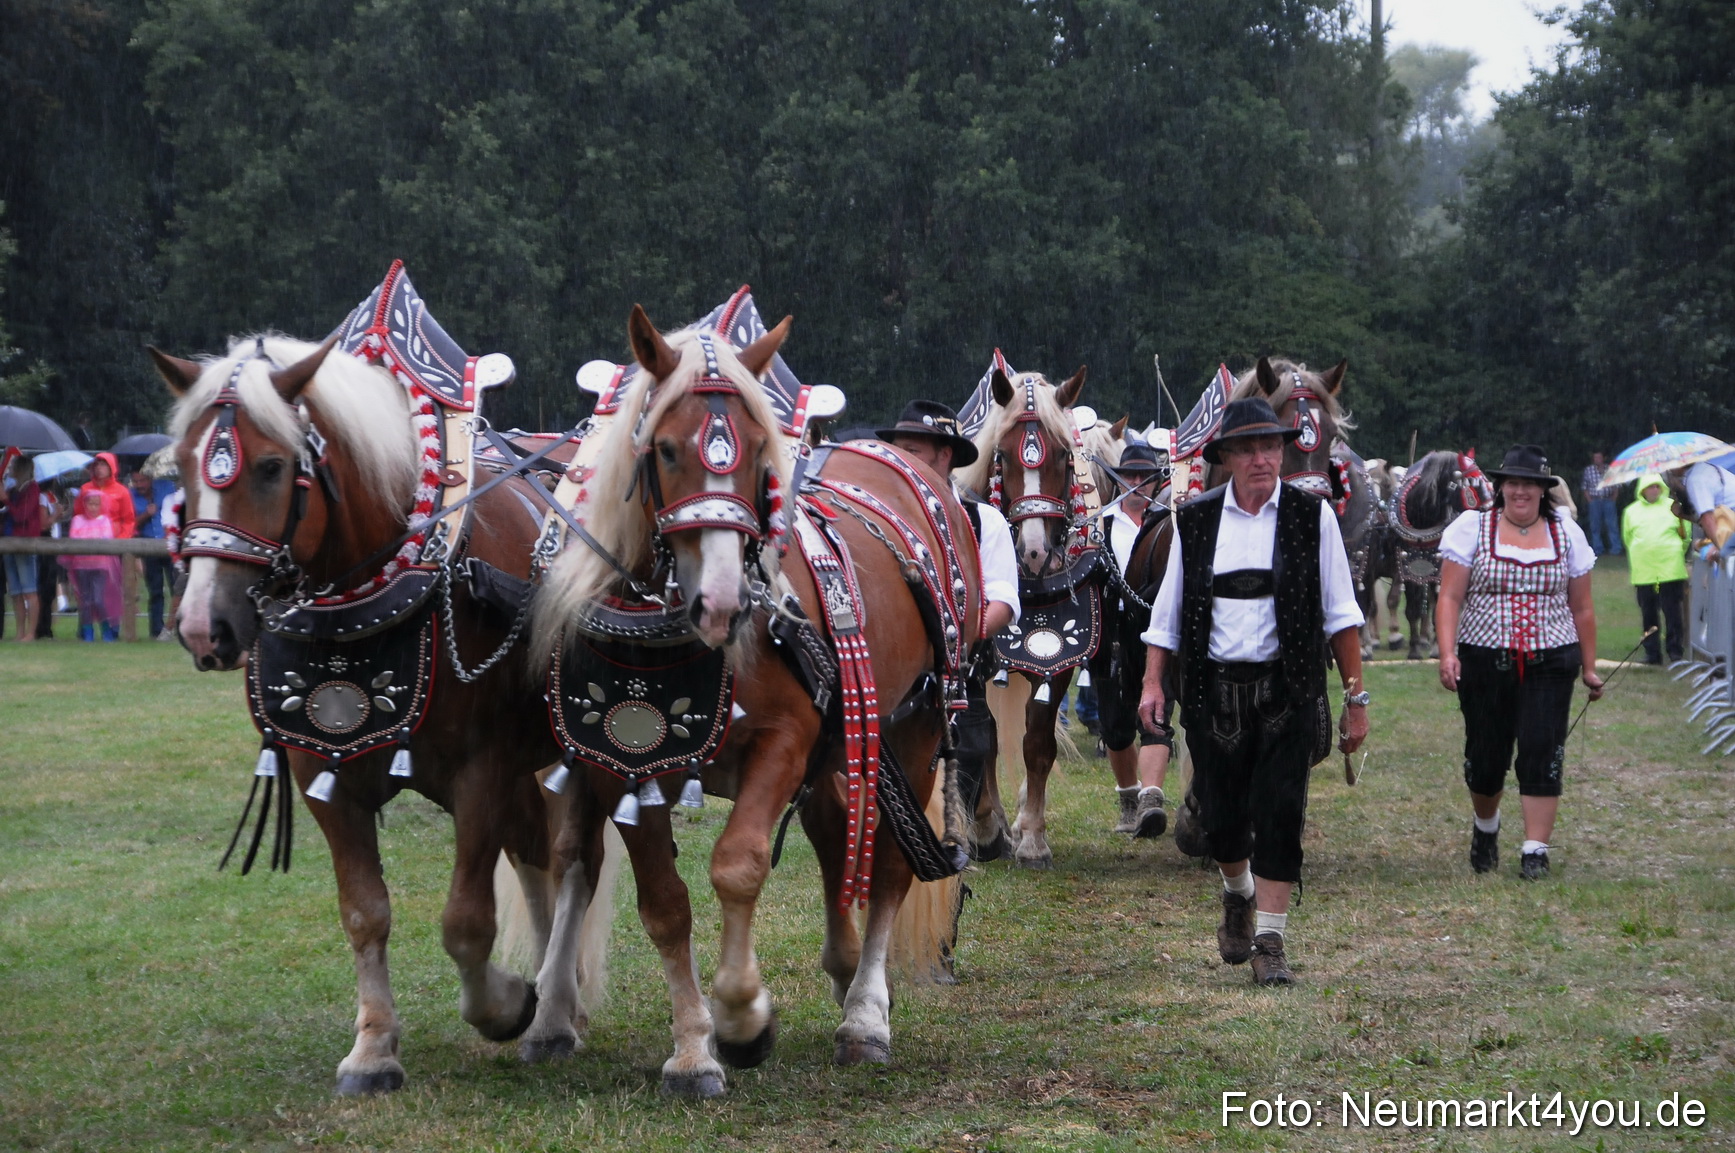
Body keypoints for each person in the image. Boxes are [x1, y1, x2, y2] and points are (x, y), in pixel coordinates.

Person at [1138, 398, 1368, 986]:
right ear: (1228, 458)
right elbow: (1166, 615)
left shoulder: (1312, 518)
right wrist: (1152, 682)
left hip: (1287, 689)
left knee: (1281, 812)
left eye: (1271, 447)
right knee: (1219, 819)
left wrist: (1355, 698)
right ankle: (1236, 891)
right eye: (1249, 448)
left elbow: (1342, 615)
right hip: (1214, 693)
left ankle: (1270, 939)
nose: (1263, 458)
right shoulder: (1194, 521)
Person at [1436, 445, 1602, 882]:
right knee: (1486, 754)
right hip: (1484, 656)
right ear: (1501, 487)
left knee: (1541, 749)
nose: (1521, 491)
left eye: (1530, 483)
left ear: (1544, 490)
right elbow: (1450, 597)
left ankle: (1535, 849)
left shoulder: (1566, 532)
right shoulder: (1472, 528)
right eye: (1513, 482)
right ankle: (1486, 827)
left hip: (1552, 656)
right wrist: (1448, 653)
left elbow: (1582, 607)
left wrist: (1589, 667)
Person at [878, 400, 1020, 860]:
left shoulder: (984, 520)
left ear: (945, 456)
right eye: (896, 451)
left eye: (912, 451)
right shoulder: (876, 518)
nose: (900, 461)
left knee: (957, 788)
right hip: (889, 685)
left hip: (962, 683)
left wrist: (950, 637)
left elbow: (1003, 600)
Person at [1092, 443, 1177, 837]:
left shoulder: (1168, 524)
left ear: (1155, 481)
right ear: (1119, 480)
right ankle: (1129, 797)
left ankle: (1151, 798)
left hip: (1155, 634)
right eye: (1129, 476)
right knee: (1114, 725)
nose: (1136, 483)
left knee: (1157, 711)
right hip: (1110, 635)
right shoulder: (1099, 525)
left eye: (1144, 477)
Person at [1622, 473, 1689, 665]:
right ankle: (1652, 653)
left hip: (1670, 569)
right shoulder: (1631, 511)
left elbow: (1685, 535)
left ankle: (1675, 652)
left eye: (1657, 486)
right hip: (1644, 572)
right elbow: (1628, 538)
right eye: (1650, 487)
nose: (1654, 490)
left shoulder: (1673, 507)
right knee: (1648, 614)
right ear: (1642, 489)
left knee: (1673, 613)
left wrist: (1675, 552)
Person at [79, 452, 133, 638]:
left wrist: (120, 543)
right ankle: (86, 629)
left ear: (112, 467)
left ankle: (113, 628)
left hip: (114, 549)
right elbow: (78, 515)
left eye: (104, 464)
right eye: (97, 464)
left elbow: (129, 520)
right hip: (89, 551)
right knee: (86, 591)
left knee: (112, 591)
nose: (100, 468)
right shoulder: (85, 488)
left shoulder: (122, 491)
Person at [65, 489, 122, 641]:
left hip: (100, 565)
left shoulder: (104, 521)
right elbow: (74, 538)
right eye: (90, 504)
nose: (93, 507)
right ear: (84, 504)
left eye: (96, 504)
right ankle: (87, 630)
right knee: (85, 600)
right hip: (81, 566)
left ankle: (106, 628)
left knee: (98, 599)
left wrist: (90, 541)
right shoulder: (77, 520)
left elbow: (106, 538)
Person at [1, 451, 44, 641]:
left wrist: (4, 499)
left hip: (24, 542)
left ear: (21, 469)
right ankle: (19, 632)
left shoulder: (32, 489)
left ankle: (31, 632)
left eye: (13, 466)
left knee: (29, 590)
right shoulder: (13, 489)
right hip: (9, 542)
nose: (10, 469)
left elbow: (21, 516)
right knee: (16, 592)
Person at [130, 469, 175, 640]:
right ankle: (156, 629)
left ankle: (178, 627)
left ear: (151, 479)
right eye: (136, 481)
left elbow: (176, 509)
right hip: (148, 545)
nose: (139, 485)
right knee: (155, 590)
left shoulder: (166, 487)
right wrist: (146, 515)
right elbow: (130, 523)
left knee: (176, 587)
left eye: (143, 481)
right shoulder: (131, 495)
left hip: (170, 545)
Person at [1676, 458, 1735, 561]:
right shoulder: (1702, 470)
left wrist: (1720, 551)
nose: (1668, 471)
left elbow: (1707, 519)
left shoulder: (1696, 479)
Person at [1580, 451, 1620, 556]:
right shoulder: (1588, 470)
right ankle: (1598, 549)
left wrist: (1614, 498)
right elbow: (1585, 487)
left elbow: (1616, 485)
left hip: (1608, 500)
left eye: (1599, 457)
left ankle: (1615, 549)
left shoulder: (1610, 470)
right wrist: (1590, 500)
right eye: (1595, 458)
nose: (1597, 459)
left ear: (1603, 458)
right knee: (1595, 526)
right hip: (1595, 500)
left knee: (1612, 525)